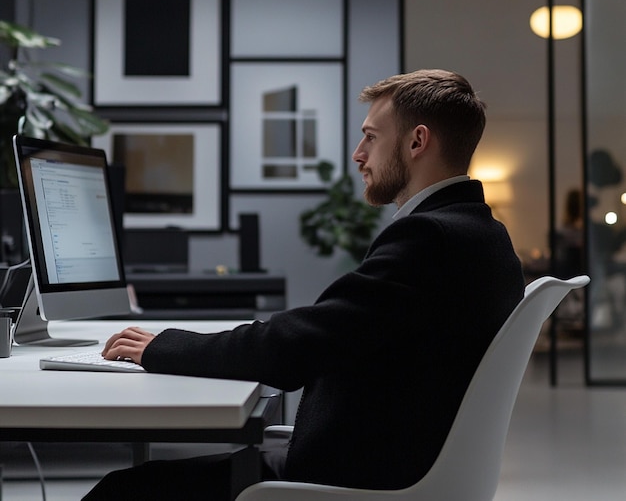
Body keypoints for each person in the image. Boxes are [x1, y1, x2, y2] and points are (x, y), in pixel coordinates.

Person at [83, 69, 525, 500]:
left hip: (353, 475)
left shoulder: (429, 239)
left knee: (122, 490)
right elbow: (332, 333)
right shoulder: (483, 233)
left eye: (371, 136)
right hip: (395, 459)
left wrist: (161, 346)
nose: (358, 153)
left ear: (417, 141)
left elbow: (293, 349)